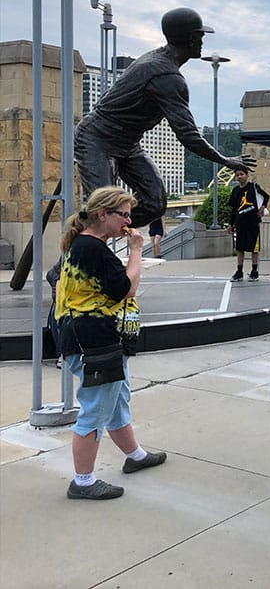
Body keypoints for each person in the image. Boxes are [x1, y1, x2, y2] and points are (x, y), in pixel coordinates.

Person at [74, 8, 254, 227]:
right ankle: (85, 243)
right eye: (200, 36)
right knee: (103, 209)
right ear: (190, 38)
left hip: (128, 143)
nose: (202, 41)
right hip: (97, 140)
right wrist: (226, 161)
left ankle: (108, 230)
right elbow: (188, 136)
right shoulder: (166, 77)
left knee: (154, 203)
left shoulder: (159, 61)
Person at [54, 186, 167, 500]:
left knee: (116, 401)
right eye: (124, 214)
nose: (129, 221)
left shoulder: (84, 245)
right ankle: (83, 481)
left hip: (95, 339)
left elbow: (58, 280)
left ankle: (136, 456)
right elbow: (125, 289)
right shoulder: (93, 248)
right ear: (103, 214)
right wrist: (135, 251)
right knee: (95, 409)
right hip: (94, 342)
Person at [227, 167, 269, 282]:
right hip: (240, 223)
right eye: (237, 175)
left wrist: (263, 206)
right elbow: (234, 209)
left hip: (253, 222)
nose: (240, 176)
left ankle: (254, 271)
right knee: (240, 249)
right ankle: (239, 271)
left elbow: (266, 196)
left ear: (247, 175)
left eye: (242, 174)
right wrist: (230, 224)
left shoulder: (253, 187)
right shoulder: (235, 191)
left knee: (254, 248)